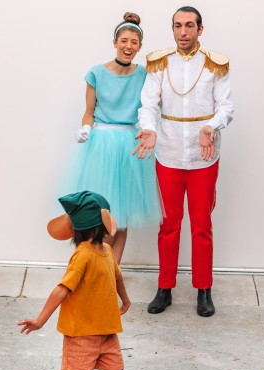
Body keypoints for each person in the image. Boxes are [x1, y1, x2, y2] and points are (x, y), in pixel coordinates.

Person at [133, 6, 234, 317]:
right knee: (168, 225)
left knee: (202, 225)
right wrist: (148, 129)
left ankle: (204, 289)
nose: (183, 32)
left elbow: (226, 107)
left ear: (200, 30)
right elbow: (148, 104)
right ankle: (165, 288)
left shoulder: (216, 65)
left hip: (203, 155)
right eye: (177, 26)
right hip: (169, 152)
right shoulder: (159, 63)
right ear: (173, 29)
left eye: (189, 25)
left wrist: (210, 126)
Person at [18, 191, 131, 370]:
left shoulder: (106, 250)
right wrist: (40, 320)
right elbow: (62, 288)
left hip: (106, 328)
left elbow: (117, 277)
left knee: (115, 368)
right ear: (99, 224)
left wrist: (125, 300)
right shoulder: (83, 255)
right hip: (81, 331)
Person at [73, 12, 162, 265]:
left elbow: (154, 106)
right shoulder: (96, 74)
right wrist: (85, 129)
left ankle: (112, 272)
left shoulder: (145, 74)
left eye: (134, 42)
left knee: (123, 217)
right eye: (124, 40)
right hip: (102, 145)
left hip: (130, 145)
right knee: (100, 215)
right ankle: (92, 268)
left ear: (140, 47)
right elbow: (88, 114)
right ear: (115, 42)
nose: (128, 46)